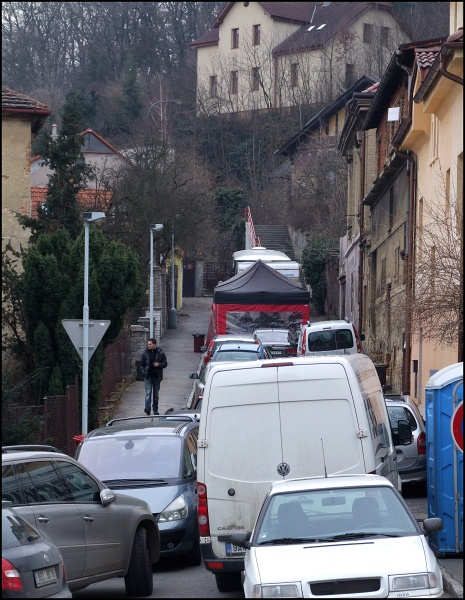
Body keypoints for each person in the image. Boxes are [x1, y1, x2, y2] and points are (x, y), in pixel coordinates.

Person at [140, 338, 168, 415]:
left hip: (157, 377)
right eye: (148, 344)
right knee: (148, 393)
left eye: (150, 344)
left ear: (154, 344)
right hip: (148, 376)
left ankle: (155, 410)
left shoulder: (160, 352)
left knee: (156, 394)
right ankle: (147, 409)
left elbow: (165, 363)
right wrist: (144, 373)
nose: (148, 345)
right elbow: (141, 365)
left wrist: (158, 364)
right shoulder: (144, 353)